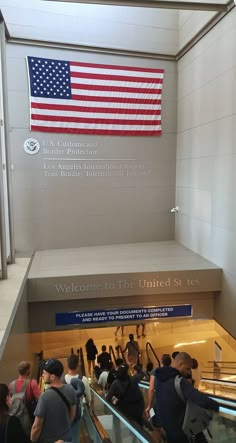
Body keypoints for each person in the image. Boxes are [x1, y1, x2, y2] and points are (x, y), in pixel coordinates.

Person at [154, 352, 219, 443]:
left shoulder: (158, 379)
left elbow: (157, 403)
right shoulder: (180, 382)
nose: (189, 372)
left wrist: (157, 424)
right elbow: (199, 398)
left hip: (169, 431)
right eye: (187, 368)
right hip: (183, 432)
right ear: (180, 364)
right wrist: (216, 405)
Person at [30, 358, 77, 443]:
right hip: (67, 439)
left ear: (52, 376)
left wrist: (33, 440)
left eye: (44, 373)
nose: (42, 375)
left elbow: (36, 427)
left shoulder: (45, 397)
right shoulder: (70, 389)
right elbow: (72, 414)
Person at [64, 354, 91, 443]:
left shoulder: (62, 379)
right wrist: (87, 402)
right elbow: (89, 398)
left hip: (64, 413)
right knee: (75, 436)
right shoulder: (83, 379)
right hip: (78, 412)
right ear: (78, 365)